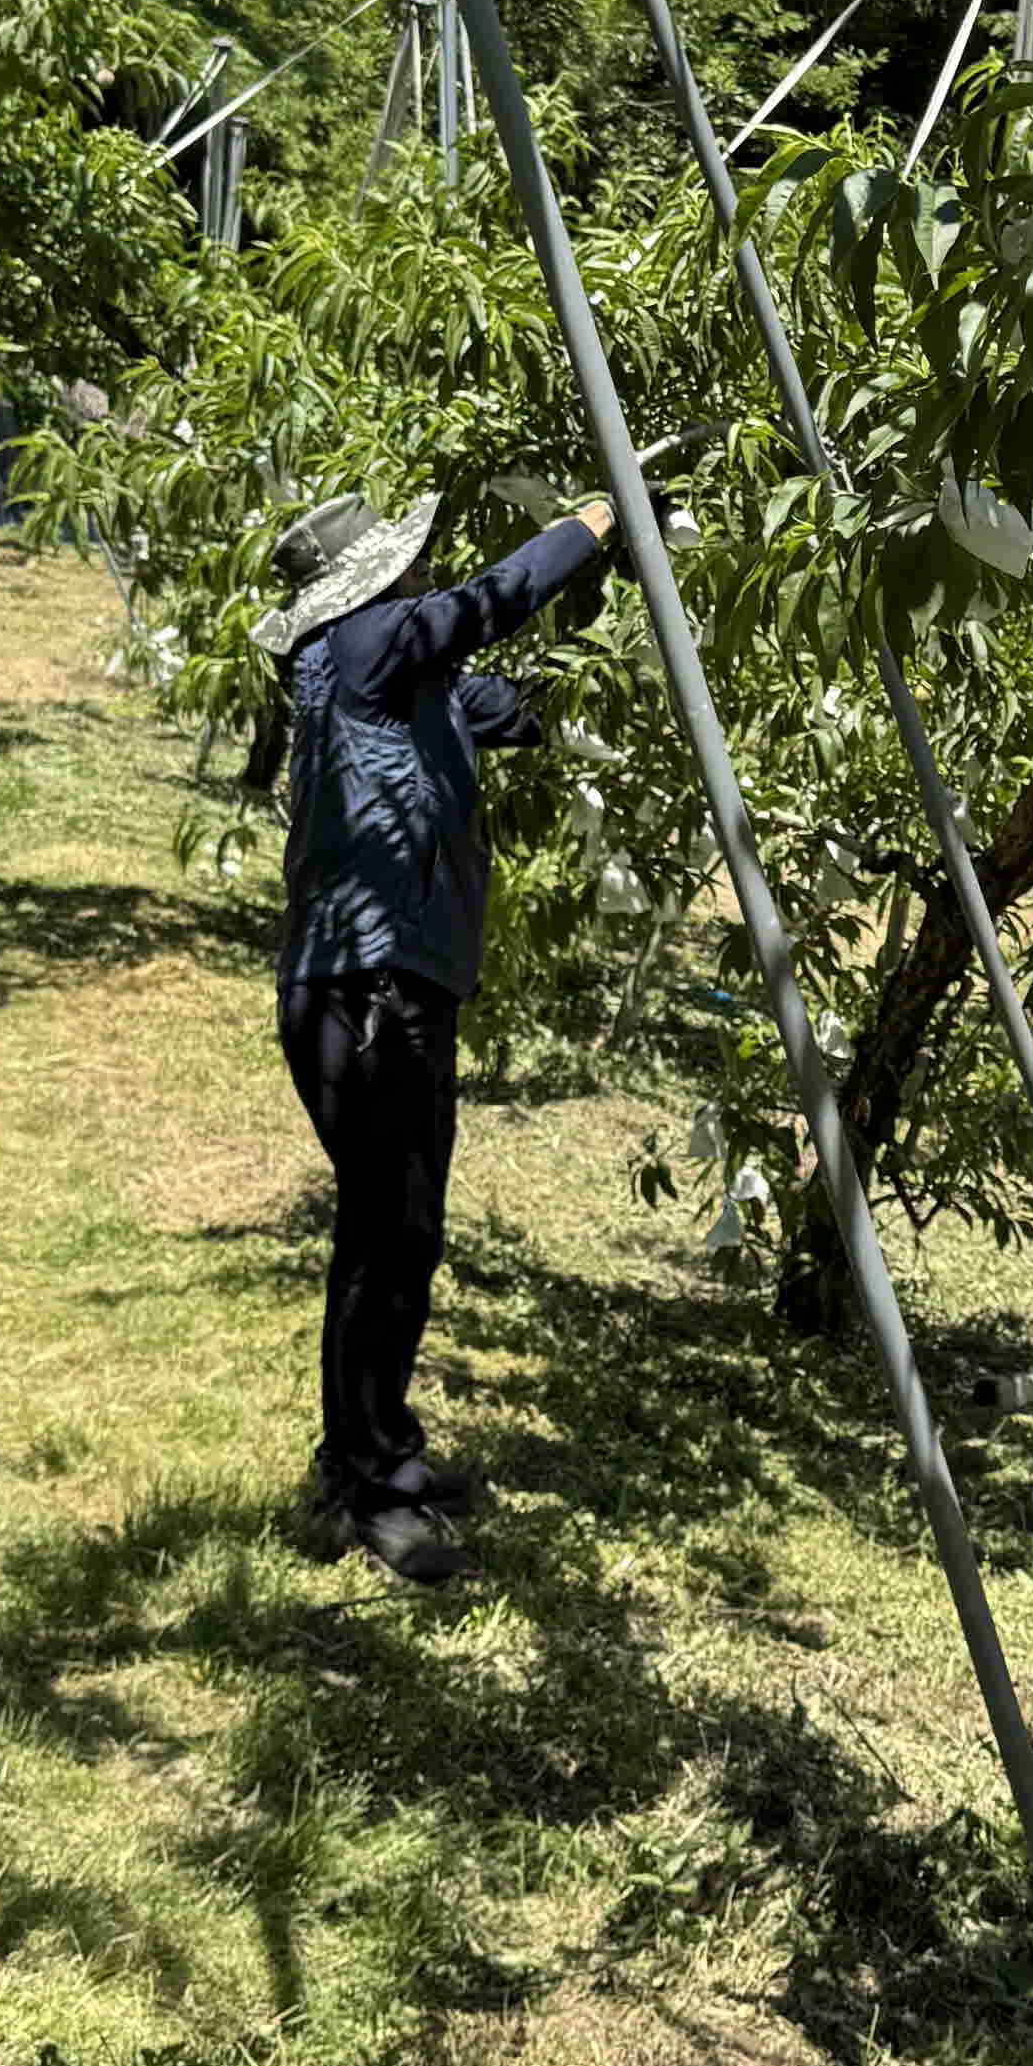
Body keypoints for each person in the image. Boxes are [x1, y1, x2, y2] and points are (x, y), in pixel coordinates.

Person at [251, 481, 617, 1584]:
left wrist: (604, 589)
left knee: (394, 1232)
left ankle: (374, 1454)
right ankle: (368, 1483)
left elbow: (514, 700)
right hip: (364, 991)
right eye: (409, 571)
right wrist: (586, 527)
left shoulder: (408, 680)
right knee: (389, 1230)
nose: (420, 579)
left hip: (394, 987)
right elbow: (487, 605)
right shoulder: (355, 647)